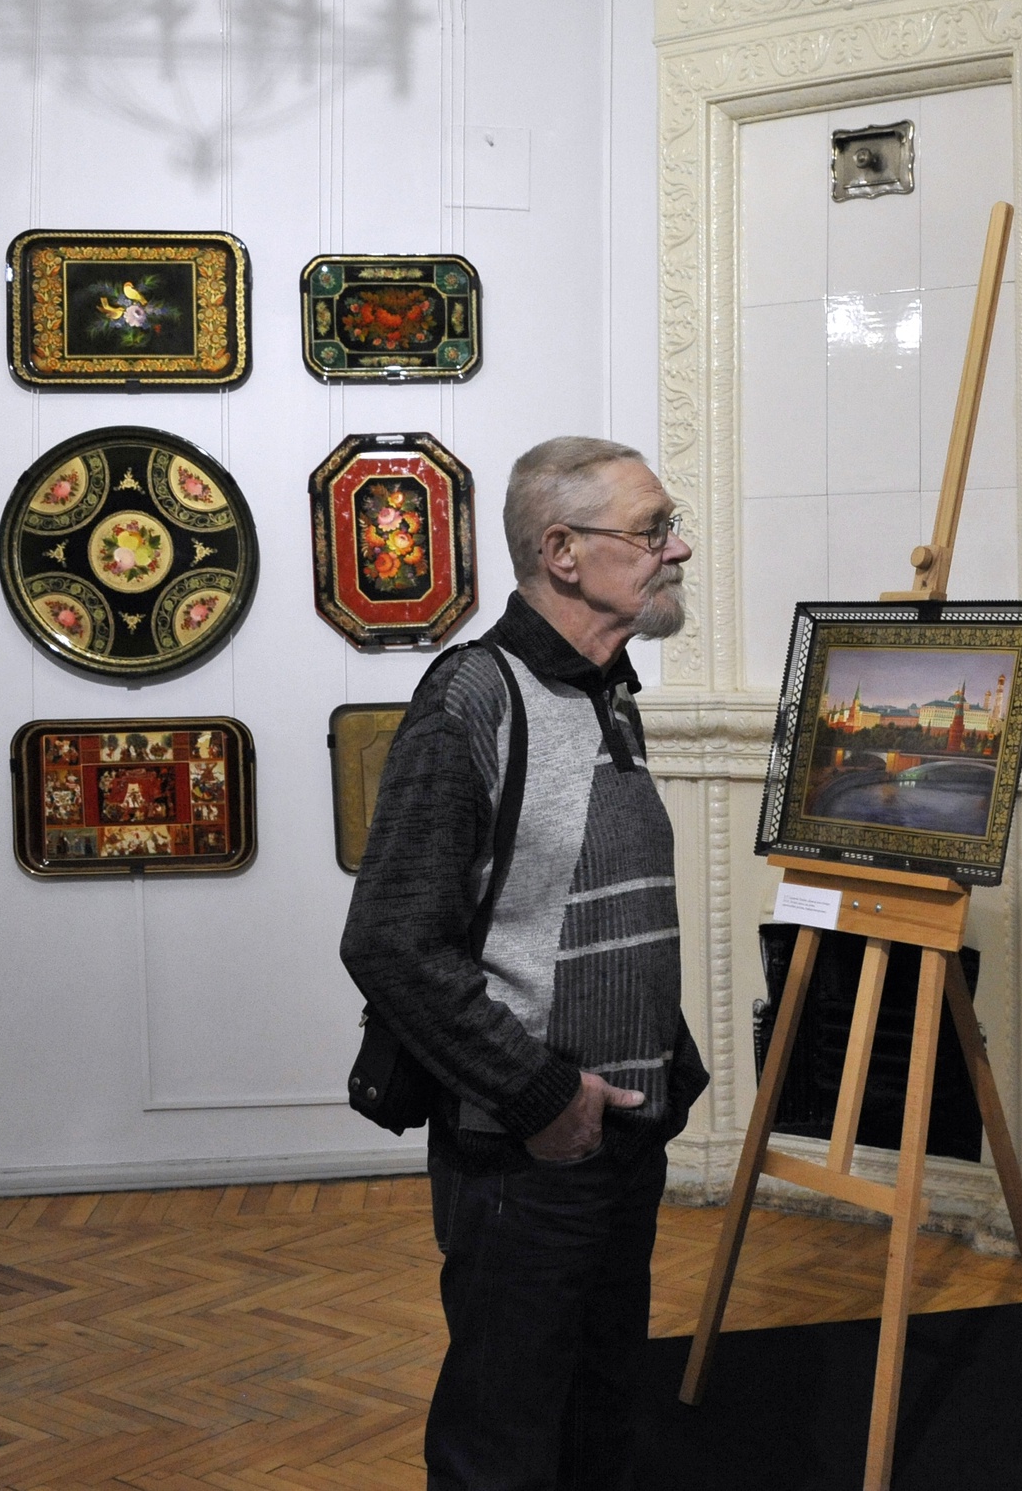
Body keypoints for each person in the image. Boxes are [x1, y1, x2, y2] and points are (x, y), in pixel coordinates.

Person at [342, 436, 709, 1491]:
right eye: (649, 530)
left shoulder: (607, 691)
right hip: (525, 1148)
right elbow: (387, 938)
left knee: (601, 1409)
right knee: (501, 1434)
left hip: (615, 1135)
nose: (676, 546)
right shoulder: (475, 697)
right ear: (561, 551)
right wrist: (544, 1095)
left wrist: (661, 1073)